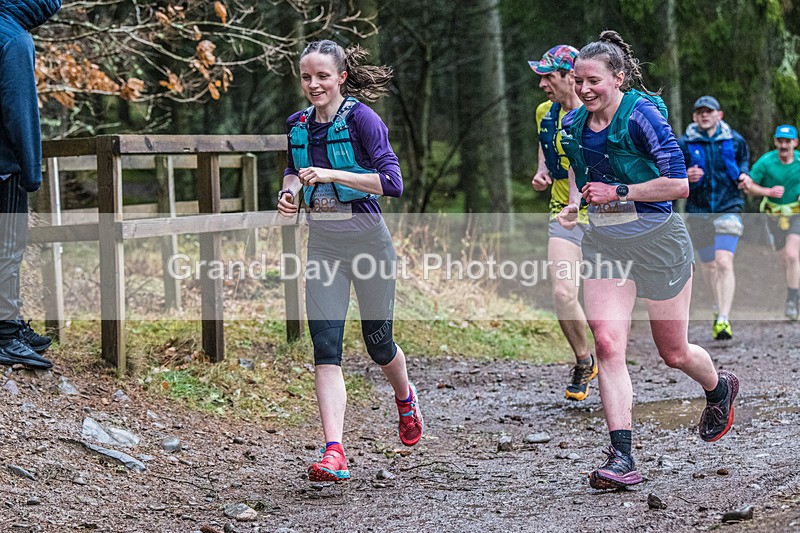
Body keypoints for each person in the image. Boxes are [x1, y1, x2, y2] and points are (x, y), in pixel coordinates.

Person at [557, 30, 739, 490]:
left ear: (618, 78)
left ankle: (719, 389)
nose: (584, 89)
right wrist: (578, 204)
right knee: (608, 342)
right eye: (578, 81)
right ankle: (622, 456)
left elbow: (678, 186)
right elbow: (588, 184)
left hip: (659, 242)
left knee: (673, 352)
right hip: (606, 245)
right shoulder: (575, 127)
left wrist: (619, 192)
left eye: (593, 80)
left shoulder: (643, 116)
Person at [277, 40, 423, 482]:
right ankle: (334, 451)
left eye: (323, 76)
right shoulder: (297, 124)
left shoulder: (362, 119)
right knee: (326, 349)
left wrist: (332, 174)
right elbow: (291, 168)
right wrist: (290, 193)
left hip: (368, 245)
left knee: (379, 345)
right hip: (323, 248)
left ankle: (405, 397)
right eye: (306, 77)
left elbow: (392, 182)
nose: (314, 84)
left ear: (341, 77)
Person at [529, 45, 597, 401]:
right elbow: (546, 145)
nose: (542, 83)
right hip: (562, 209)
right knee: (562, 292)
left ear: (571, 76)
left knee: (607, 303)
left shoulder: (596, 112)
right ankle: (584, 360)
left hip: (604, 212)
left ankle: (613, 360)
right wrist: (541, 170)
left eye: (549, 76)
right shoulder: (545, 111)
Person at [0, 0, 62, 369]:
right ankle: (6, 335)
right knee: (9, 248)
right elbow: (19, 108)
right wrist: (31, 168)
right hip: (5, 166)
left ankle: (10, 324)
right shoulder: (14, 38)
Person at [677, 96, 752, 341]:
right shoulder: (685, 143)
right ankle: (717, 306)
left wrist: (744, 177)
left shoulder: (735, 140)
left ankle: (723, 319)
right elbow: (673, 174)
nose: (704, 116)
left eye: (709, 112)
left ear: (719, 115)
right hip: (698, 211)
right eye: (700, 112)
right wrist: (686, 175)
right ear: (694, 117)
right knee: (709, 266)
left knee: (723, 262)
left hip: (728, 207)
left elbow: (743, 167)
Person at [742, 125, 800, 319]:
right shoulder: (767, 162)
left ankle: (791, 301)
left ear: (795, 142)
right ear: (775, 142)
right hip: (773, 215)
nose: (784, 145)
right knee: (785, 259)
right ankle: (795, 292)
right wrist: (767, 192)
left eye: (788, 141)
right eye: (780, 141)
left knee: (792, 255)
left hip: (796, 214)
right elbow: (748, 185)